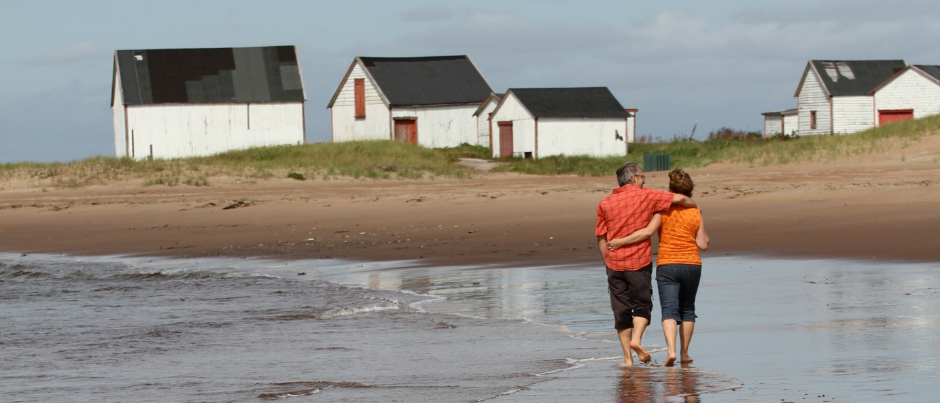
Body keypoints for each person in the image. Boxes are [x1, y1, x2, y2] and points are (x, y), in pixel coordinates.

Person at [596, 162, 697, 366]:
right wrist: (695, 207)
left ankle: (627, 359)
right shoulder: (648, 195)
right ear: (634, 178)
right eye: (643, 177)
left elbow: (601, 237)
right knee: (642, 305)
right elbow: (682, 199)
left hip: (614, 264)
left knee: (621, 310)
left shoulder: (604, 203)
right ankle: (637, 339)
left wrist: (607, 261)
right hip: (638, 262)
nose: (644, 181)